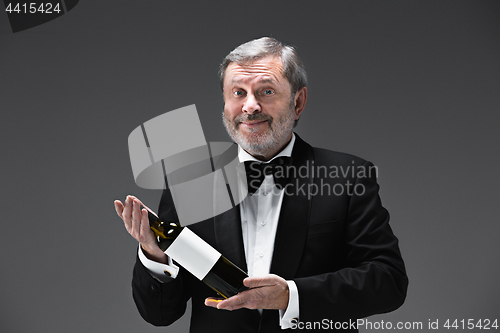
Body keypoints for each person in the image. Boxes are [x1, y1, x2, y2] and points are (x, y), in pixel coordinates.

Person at [114, 37, 408, 332]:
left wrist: (290, 296)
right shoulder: (189, 181)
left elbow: (388, 280)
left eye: (266, 91)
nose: (250, 106)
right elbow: (160, 314)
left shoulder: (348, 176)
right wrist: (155, 256)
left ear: (298, 101)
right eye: (238, 92)